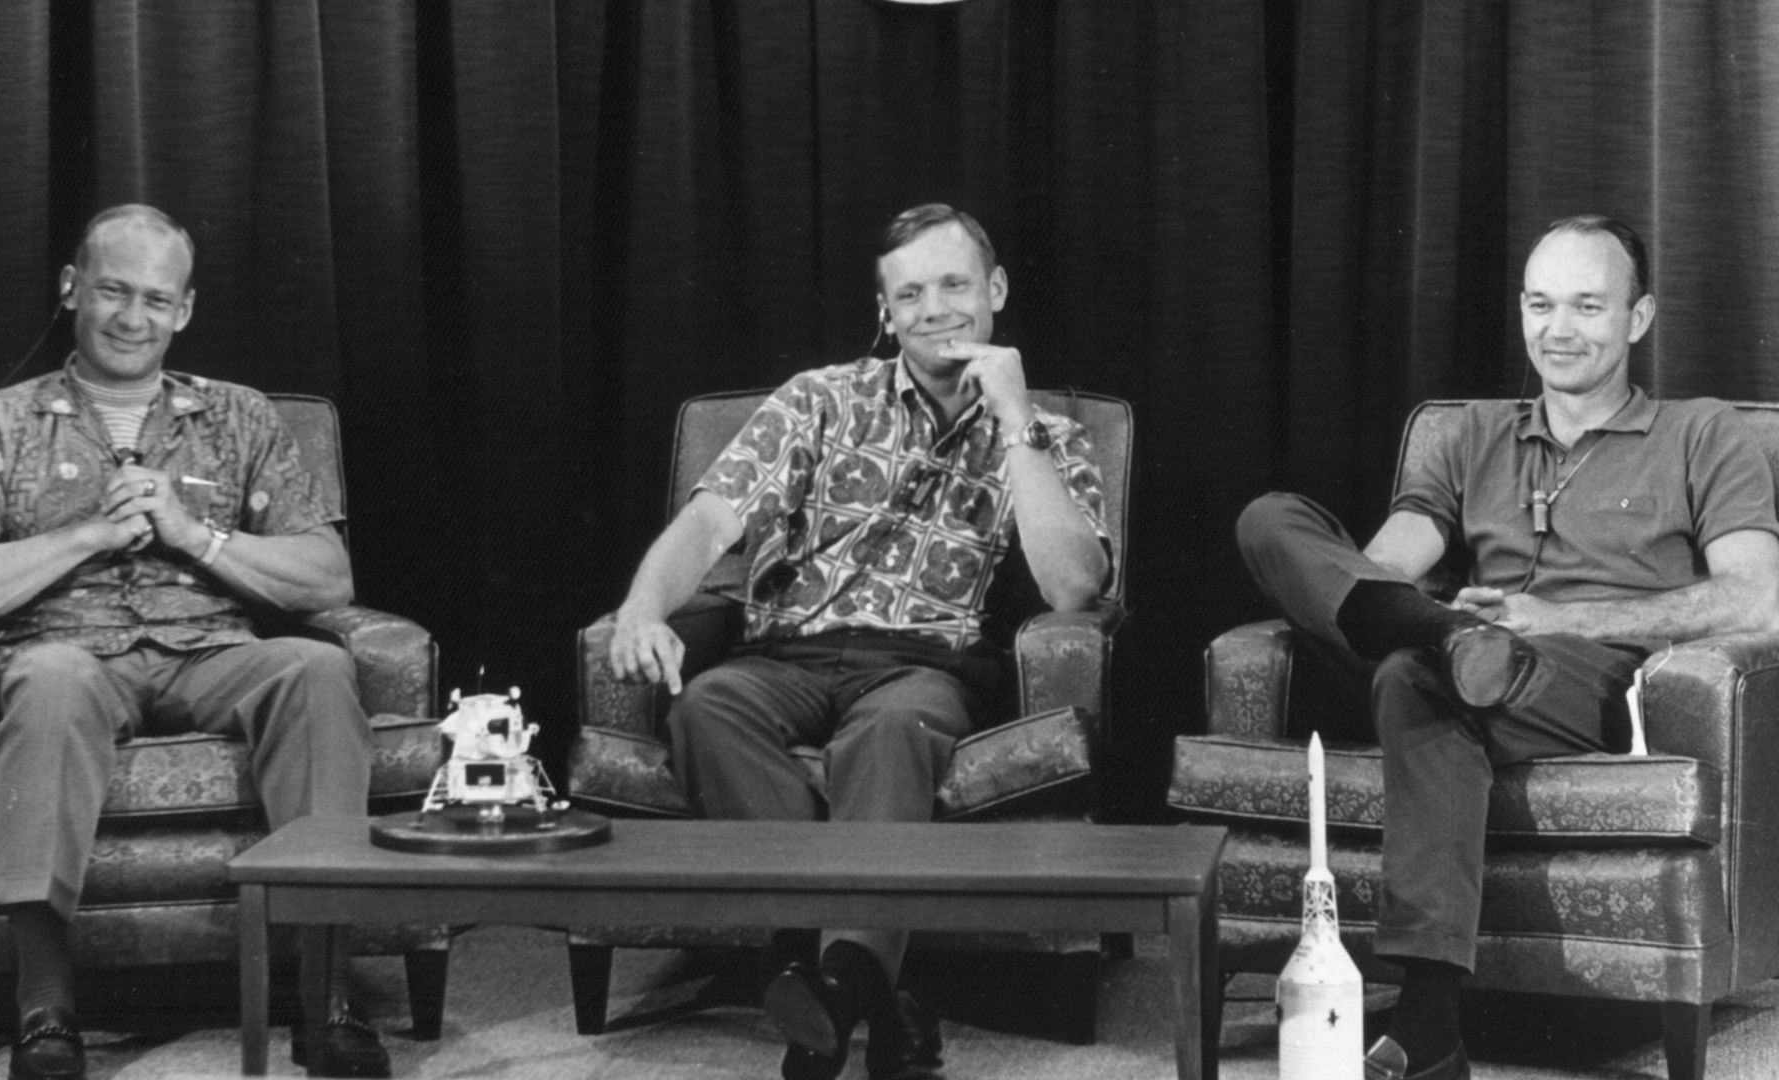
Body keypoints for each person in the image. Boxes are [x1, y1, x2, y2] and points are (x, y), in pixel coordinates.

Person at [1235, 214, 1779, 1080]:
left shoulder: (1704, 434)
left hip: (1584, 682)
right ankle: (1447, 642)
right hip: (1454, 644)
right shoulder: (1470, 433)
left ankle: (1428, 1016)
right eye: (1540, 304)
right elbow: (1379, 570)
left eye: (1588, 307)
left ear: (1638, 318)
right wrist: (1441, 620)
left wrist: (1554, 622)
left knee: (1419, 675)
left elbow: (1760, 597)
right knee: (1273, 523)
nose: (1558, 330)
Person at [607, 203, 1113, 1080]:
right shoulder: (818, 399)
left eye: (954, 284)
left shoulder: (1048, 434)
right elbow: (707, 523)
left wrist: (1016, 419)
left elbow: (1075, 585)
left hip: (922, 666)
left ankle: (826, 994)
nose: (934, 309)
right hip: (785, 657)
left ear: (994, 290)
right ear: (886, 313)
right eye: (909, 294)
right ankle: (868, 991)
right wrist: (642, 608)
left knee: (892, 735)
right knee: (705, 710)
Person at [0, 205, 389, 1080]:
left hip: (212, 651)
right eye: (113, 292)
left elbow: (328, 577)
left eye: (156, 300)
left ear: (186, 310)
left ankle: (329, 998)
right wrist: (88, 534)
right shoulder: (1, 422)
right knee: (49, 682)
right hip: (70, 650)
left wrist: (194, 534)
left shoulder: (239, 418)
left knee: (316, 667)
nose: (133, 319)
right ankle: (46, 1010)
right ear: (71, 290)